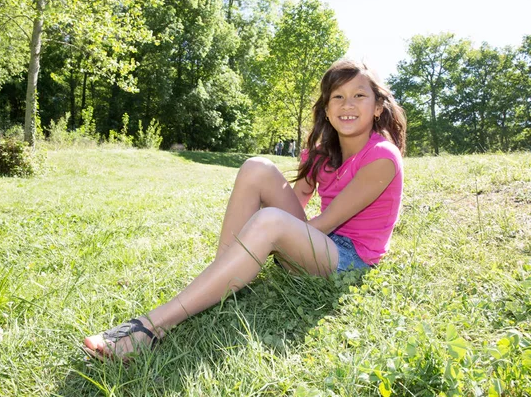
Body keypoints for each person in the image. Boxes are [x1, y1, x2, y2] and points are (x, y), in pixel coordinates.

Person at [83, 59, 407, 360]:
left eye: (359, 95)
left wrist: (276, 231)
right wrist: (280, 229)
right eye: (337, 96)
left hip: (350, 261)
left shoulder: (382, 157)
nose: (347, 105)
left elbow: (324, 223)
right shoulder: (322, 151)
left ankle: (153, 326)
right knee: (257, 167)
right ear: (326, 106)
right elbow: (297, 203)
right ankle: (221, 279)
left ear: (378, 106)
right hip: (319, 244)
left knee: (269, 222)